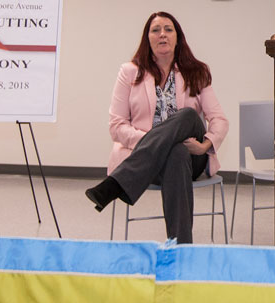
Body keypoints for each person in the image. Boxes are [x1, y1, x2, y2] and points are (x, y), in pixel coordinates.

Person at [85, 12, 228, 243]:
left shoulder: (196, 71)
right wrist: (155, 142)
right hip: (159, 161)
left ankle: (116, 184)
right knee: (175, 152)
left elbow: (219, 119)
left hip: (194, 156)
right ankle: (181, 247)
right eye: (156, 30)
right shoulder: (129, 73)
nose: (162, 34)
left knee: (189, 116)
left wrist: (205, 147)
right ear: (147, 38)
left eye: (168, 29)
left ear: (178, 37)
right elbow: (117, 125)